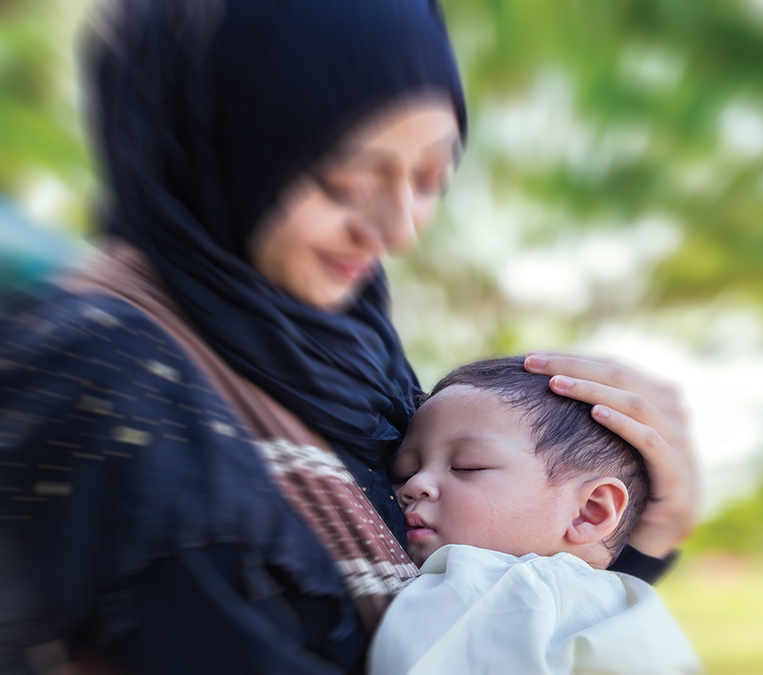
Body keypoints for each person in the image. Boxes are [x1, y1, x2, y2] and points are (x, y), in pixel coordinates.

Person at [0, 0, 699, 673]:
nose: (399, 229)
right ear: (219, 145)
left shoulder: (353, 355)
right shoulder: (102, 378)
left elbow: (492, 611)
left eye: (431, 176)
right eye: (344, 183)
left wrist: (634, 540)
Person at [368, 357, 701, 674]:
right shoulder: (624, 608)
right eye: (403, 471)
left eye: (468, 466)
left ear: (589, 511)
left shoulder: (503, 588)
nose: (414, 485)